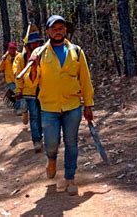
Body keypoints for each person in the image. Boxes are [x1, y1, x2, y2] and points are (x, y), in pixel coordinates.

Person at [26, 15, 94, 196]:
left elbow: (85, 80)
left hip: (72, 106)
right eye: (54, 28)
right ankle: (51, 160)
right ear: (47, 32)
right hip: (49, 107)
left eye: (61, 28)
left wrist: (88, 105)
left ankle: (70, 177)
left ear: (66, 30)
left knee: (71, 142)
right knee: (51, 143)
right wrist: (32, 67)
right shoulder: (39, 53)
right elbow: (32, 83)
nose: (58, 31)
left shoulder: (76, 51)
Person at [13, 26, 44, 153]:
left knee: (43, 115)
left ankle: (41, 136)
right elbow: (18, 74)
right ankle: (36, 140)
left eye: (38, 42)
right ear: (29, 44)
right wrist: (19, 90)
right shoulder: (21, 58)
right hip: (29, 92)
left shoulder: (44, 55)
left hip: (43, 91)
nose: (36, 44)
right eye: (33, 43)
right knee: (34, 116)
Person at [0, 41, 20, 111]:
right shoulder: (5, 57)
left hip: (18, 79)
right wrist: (2, 60)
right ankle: (17, 108)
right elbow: (0, 69)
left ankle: (16, 106)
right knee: (17, 92)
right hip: (10, 80)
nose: (12, 50)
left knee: (20, 93)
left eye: (13, 48)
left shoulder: (19, 56)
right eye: (10, 48)